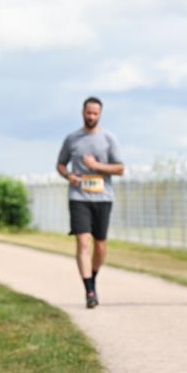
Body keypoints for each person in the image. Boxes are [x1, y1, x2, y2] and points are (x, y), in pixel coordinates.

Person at [56, 96, 124, 309]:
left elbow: (120, 169)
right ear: (82, 112)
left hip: (103, 197)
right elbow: (60, 165)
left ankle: (92, 276)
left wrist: (97, 166)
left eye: (95, 113)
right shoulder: (72, 139)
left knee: (100, 245)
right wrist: (69, 176)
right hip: (78, 197)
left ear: (100, 114)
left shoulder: (109, 139)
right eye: (88, 112)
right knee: (83, 241)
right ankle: (89, 291)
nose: (91, 116)